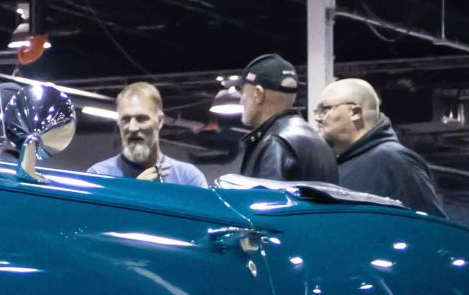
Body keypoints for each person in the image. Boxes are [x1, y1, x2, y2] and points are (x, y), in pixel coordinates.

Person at [314, 77, 445, 215]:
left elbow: (430, 225)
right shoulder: (338, 165)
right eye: (316, 112)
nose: (317, 118)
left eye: (324, 110)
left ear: (355, 112)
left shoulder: (395, 161)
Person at [233, 53, 339, 184]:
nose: (241, 101)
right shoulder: (318, 141)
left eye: (243, 92)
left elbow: (267, 197)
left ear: (258, 94)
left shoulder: (275, 143)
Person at [87, 82, 210, 186]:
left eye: (142, 119)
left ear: (160, 121)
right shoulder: (98, 176)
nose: (132, 128)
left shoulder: (188, 178)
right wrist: (137, 192)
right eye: (126, 119)